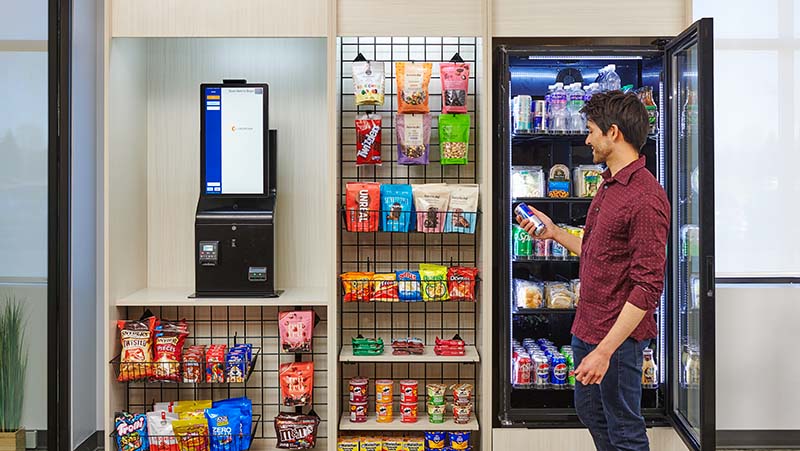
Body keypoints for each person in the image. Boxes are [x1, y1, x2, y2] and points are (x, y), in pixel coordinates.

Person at [517, 91, 670, 451]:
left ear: (612, 132)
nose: (586, 139)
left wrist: (605, 350)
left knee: (625, 429)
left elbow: (648, 287)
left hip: (616, 339)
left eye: (590, 130)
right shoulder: (609, 182)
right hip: (587, 326)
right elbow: (596, 249)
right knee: (591, 413)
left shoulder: (645, 198)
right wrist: (554, 233)